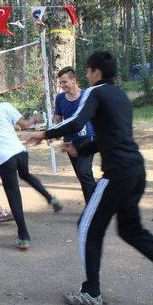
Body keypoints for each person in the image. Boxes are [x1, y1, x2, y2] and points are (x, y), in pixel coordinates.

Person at [27, 50, 153, 305]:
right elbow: (109, 137)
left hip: (117, 173)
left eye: (86, 70)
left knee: (87, 225)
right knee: (131, 230)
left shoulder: (95, 92)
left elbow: (75, 122)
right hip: (135, 170)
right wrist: (81, 149)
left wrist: (45, 133)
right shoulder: (120, 96)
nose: (86, 75)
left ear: (96, 71)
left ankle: (91, 291)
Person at [0, 83, 63, 250]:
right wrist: (34, 120)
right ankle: (50, 198)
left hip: (4, 158)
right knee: (26, 175)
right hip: (20, 152)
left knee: (13, 194)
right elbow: (25, 124)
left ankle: (24, 236)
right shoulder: (5, 106)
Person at [54, 67, 96, 204]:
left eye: (64, 82)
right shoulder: (60, 98)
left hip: (87, 139)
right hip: (70, 142)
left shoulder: (87, 95)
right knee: (81, 174)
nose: (62, 85)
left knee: (84, 172)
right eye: (60, 83)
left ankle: (94, 206)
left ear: (74, 80)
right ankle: (98, 201)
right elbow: (58, 119)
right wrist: (55, 135)